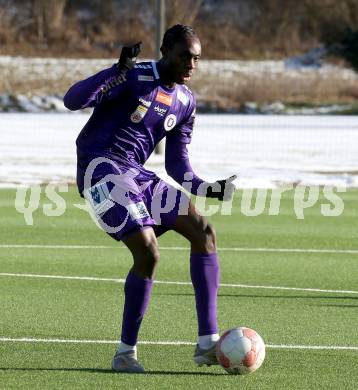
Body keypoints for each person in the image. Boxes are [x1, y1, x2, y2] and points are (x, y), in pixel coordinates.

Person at [63, 24, 236, 373]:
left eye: (197, 59)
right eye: (185, 56)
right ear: (165, 50)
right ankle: (125, 354)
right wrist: (116, 70)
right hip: (101, 170)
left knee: (204, 232)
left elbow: (176, 163)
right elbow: (72, 100)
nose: (191, 64)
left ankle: (206, 344)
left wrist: (205, 188)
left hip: (137, 175)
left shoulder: (186, 101)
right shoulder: (133, 76)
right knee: (148, 253)